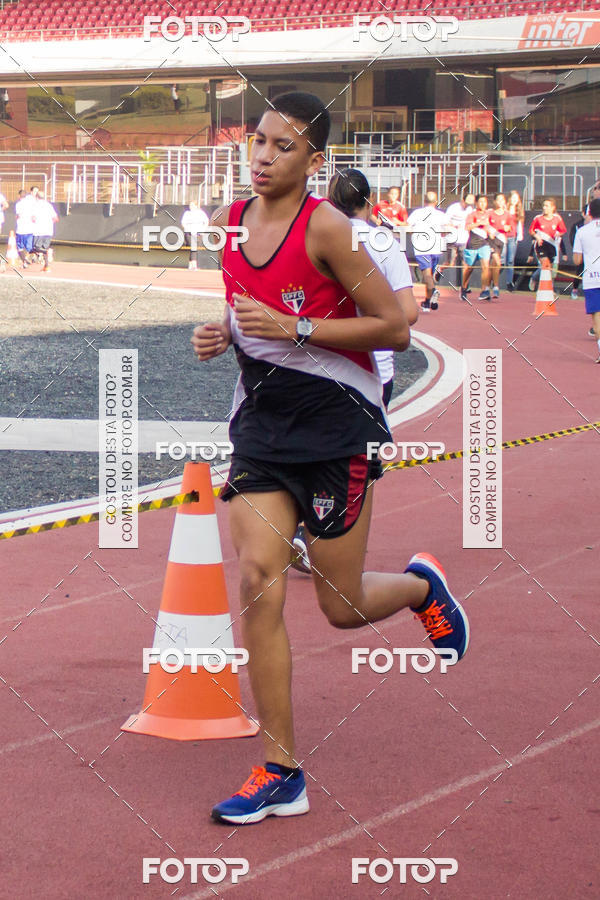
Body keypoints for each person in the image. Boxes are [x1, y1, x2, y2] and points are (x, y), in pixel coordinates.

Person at [191, 91, 469, 825]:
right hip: (261, 425)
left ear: (315, 161)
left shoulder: (330, 230)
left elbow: (395, 331)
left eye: (283, 146)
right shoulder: (232, 219)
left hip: (336, 427)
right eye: (258, 140)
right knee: (256, 575)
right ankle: (281, 767)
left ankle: (418, 589)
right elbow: (242, 297)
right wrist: (222, 329)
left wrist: (295, 326)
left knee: (341, 606)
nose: (262, 156)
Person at [292, 167, 419, 575]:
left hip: (315, 362)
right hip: (371, 370)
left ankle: (306, 530)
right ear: (369, 200)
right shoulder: (384, 242)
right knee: (357, 462)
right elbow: (409, 312)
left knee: (308, 448)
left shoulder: (315, 235)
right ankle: (331, 543)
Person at [407, 191, 452, 312]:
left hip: (422, 247)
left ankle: (434, 291)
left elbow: (408, 225)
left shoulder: (417, 213)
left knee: (427, 275)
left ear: (424, 201)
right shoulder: (441, 215)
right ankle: (427, 302)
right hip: (436, 247)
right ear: (436, 202)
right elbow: (449, 228)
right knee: (430, 275)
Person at [572, 198, 600, 363]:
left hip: (592, 277)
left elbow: (576, 260)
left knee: (597, 314)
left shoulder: (582, 231)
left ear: (589, 212)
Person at [528, 197, 567, 292]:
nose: (544, 208)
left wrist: (558, 234)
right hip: (541, 245)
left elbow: (563, 230)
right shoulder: (538, 218)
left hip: (552, 246)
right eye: (544, 206)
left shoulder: (557, 219)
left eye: (547, 206)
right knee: (545, 264)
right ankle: (539, 286)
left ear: (553, 208)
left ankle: (541, 283)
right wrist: (537, 236)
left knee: (549, 268)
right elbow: (531, 230)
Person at [461, 194, 495, 302]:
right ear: (476, 203)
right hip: (472, 244)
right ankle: (464, 287)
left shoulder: (489, 214)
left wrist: (490, 231)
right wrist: (479, 223)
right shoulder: (472, 215)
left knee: (486, 266)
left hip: (484, 244)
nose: (483, 204)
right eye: (480, 202)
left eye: (484, 202)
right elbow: (467, 227)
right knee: (469, 268)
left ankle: (484, 290)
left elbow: (492, 227)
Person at [488, 193, 516, 299]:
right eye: (498, 200)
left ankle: (488, 285)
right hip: (491, 241)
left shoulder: (507, 214)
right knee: (496, 262)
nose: (500, 202)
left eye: (502, 200)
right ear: (494, 201)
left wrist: (505, 228)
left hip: (501, 241)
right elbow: (486, 225)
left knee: (496, 265)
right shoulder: (490, 213)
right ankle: (495, 287)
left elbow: (510, 228)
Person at [443, 193, 474, 287]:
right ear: (462, 201)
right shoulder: (453, 208)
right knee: (450, 263)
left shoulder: (470, 210)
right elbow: (445, 221)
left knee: (466, 263)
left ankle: (465, 286)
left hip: (463, 240)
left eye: (469, 204)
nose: (467, 206)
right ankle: (439, 270)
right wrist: (454, 225)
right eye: (466, 203)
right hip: (451, 239)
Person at [31, 191, 58, 272]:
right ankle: (46, 266)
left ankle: (30, 259)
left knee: (35, 247)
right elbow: (56, 218)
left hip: (39, 231)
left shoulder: (35, 205)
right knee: (43, 248)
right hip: (48, 230)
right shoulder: (49, 205)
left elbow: (33, 218)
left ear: (36, 197)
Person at [181, 200, 209, 269]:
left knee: (195, 249)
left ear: (196, 206)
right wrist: (189, 229)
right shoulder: (187, 213)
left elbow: (206, 221)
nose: (191, 207)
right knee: (193, 248)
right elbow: (183, 223)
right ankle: (194, 265)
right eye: (190, 205)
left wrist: (203, 230)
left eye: (192, 205)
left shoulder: (201, 213)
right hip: (189, 234)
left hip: (198, 233)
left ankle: (190, 265)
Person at [506, 190, 524, 291]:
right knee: (501, 260)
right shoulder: (505, 209)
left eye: (516, 199)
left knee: (510, 261)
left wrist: (519, 236)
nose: (514, 201)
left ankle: (509, 282)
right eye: (513, 198)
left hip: (513, 237)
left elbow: (519, 225)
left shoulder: (519, 211)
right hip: (503, 237)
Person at [15, 189, 35, 268]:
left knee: (19, 247)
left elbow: (18, 215)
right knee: (29, 247)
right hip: (30, 229)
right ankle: (29, 259)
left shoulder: (19, 204)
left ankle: (24, 261)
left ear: (19, 196)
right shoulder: (31, 204)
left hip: (21, 229)